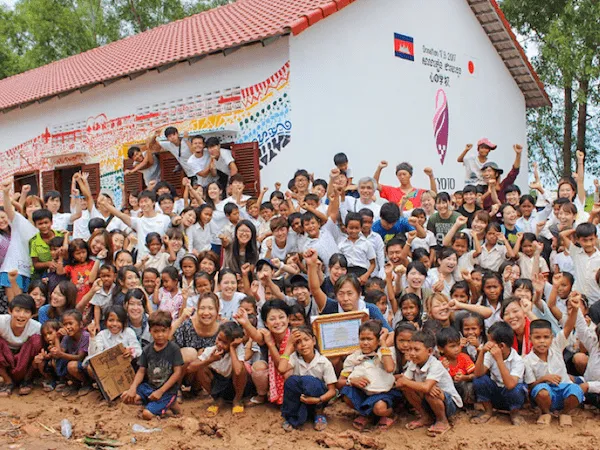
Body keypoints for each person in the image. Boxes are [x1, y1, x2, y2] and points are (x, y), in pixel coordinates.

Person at [524, 303, 584, 427]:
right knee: (541, 392)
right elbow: (530, 386)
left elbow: (568, 327)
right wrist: (544, 379)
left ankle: (565, 413)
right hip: (546, 393)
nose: (542, 341)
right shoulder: (527, 360)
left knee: (576, 390)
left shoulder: (556, 346)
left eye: (546, 337)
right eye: (537, 337)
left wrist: (575, 309)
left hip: (564, 389)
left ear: (551, 338)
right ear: (530, 339)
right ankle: (546, 413)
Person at [397, 330, 462, 436]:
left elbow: (425, 387)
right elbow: (401, 384)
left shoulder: (436, 365)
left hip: (449, 404)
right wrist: (407, 382)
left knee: (431, 391)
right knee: (408, 388)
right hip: (429, 401)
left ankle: (442, 421)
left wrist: (407, 382)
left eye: (416, 350)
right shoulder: (413, 363)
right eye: (410, 349)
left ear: (429, 351)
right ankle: (425, 417)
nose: (412, 353)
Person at [337, 320, 399, 431]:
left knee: (380, 408)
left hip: (383, 392)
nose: (365, 343)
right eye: (362, 339)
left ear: (377, 340)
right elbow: (339, 382)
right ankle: (368, 415)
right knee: (347, 395)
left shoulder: (385, 352)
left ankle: (389, 414)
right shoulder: (353, 357)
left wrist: (383, 343)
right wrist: (351, 381)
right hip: (364, 392)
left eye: (369, 339)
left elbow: (390, 368)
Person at [121, 310, 183, 419]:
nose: (160, 335)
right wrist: (133, 387)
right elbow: (141, 371)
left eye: (163, 331)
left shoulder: (174, 349)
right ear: (150, 331)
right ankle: (163, 405)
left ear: (169, 330)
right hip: (150, 387)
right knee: (127, 397)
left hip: (167, 390)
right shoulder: (147, 349)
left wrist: (161, 391)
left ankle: (169, 404)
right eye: (156, 331)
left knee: (147, 414)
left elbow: (177, 373)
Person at [279, 326, 337, 431]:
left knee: (310, 381)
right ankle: (292, 417)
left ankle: (318, 414)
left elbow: (332, 391)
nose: (303, 344)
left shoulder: (324, 362)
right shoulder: (294, 358)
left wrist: (317, 400)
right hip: (301, 398)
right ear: (295, 346)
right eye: (298, 342)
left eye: (306, 339)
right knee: (290, 381)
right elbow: (281, 369)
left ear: (314, 341)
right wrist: (288, 347)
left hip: (318, 399)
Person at [472, 321, 527, 426]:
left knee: (517, 388)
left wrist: (499, 359)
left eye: (490, 341)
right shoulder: (489, 354)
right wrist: (482, 353)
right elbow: (478, 374)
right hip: (496, 394)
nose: (488, 344)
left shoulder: (517, 360)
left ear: (501, 346)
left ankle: (514, 413)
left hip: (512, 396)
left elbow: (510, 385)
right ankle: (488, 411)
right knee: (479, 380)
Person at [196, 321, 248, 416]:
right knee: (200, 366)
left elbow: (238, 371)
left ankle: (237, 400)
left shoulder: (238, 349)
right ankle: (217, 399)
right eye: (219, 339)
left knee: (242, 369)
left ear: (233, 343)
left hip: (234, 385)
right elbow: (190, 368)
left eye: (225, 343)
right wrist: (210, 360)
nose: (219, 344)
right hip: (218, 384)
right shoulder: (211, 350)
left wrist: (232, 348)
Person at [0, 294, 42, 397]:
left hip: (24, 361)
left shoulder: (36, 327)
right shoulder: (2, 322)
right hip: (5, 360)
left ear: (32, 315)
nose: (21, 315)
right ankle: (7, 381)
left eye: (26, 312)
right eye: (18, 311)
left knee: (37, 340)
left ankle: (26, 380)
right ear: (10, 311)